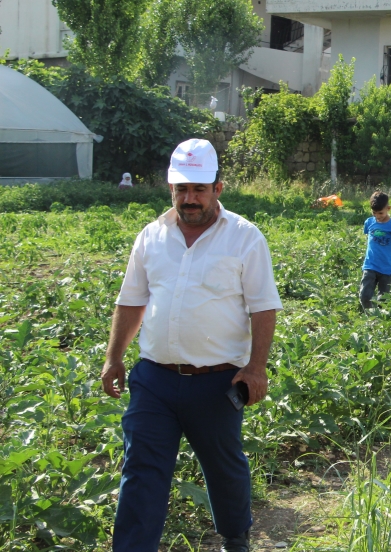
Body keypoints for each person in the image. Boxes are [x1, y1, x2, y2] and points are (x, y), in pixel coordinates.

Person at [100, 138, 282, 552]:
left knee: (223, 467)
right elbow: (131, 300)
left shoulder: (244, 237)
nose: (190, 198)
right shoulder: (152, 236)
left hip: (216, 383)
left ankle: (235, 537)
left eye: (199, 189)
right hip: (154, 380)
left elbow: (263, 307)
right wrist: (113, 358)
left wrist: (255, 368)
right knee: (142, 470)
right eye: (181, 189)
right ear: (171, 189)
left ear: (218, 188)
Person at [360, 191, 391, 309]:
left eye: (380, 213)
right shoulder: (369, 222)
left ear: (388, 208)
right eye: (374, 213)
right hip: (370, 265)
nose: (377, 216)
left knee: (383, 301)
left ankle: (381, 322)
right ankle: (370, 319)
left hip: (387, 268)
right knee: (365, 296)